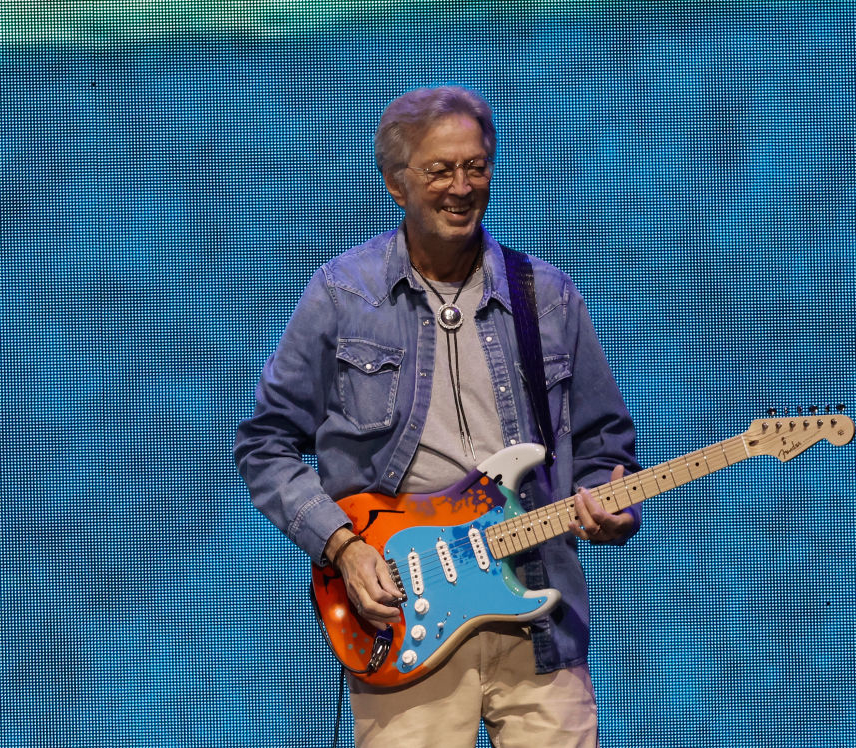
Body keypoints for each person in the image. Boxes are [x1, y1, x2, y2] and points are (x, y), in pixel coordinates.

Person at [234, 86, 641, 747]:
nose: (461, 186)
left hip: (539, 620)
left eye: (476, 166)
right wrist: (343, 545)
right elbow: (265, 446)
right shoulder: (343, 294)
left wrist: (611, 500)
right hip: (406, 620)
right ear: (397, 186)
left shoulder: (549, 296)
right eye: (439, 170)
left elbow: (604, 444)